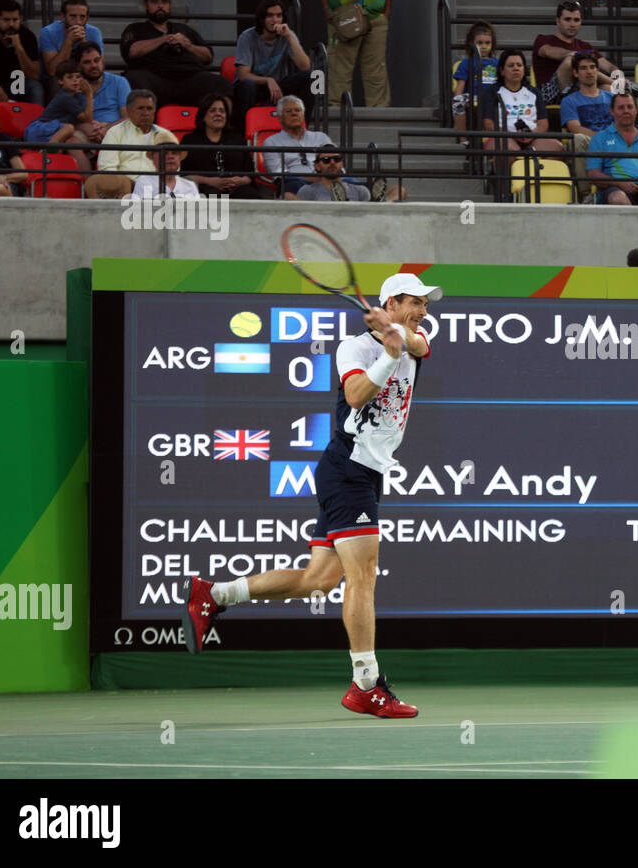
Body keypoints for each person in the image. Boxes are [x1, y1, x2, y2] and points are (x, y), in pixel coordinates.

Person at [184, 272, 443, 719]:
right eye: (416, 303)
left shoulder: (413, 336)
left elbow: (418, 347)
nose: (425, 312)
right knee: (363, 575)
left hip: (366, 470)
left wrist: (395, 333)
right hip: (349, 470)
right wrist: (387, 350)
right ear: (393, 301)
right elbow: (357, 395)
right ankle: (366, 684)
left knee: (318, 580)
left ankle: (214, 595)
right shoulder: (353, 348)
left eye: (426, 305)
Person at [120, 0, 230, 109]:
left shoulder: (184, 29)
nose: (160, 6)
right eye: (154, 1)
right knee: (133, 79)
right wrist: (163, 39)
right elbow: (132, 51)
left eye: (164, 1)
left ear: (169, 5)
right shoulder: (135, 28)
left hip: (188, 79)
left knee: (222, 84)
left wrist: (188, 45)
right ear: (146, 5)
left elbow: (208, 57)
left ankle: (226, 127)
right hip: (155, 79)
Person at [483, 48, 564, 185]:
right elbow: (488, 123)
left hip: (532, 137)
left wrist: (533, 134)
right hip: (503, 136)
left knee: (558, 148)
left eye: (519, 65)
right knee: (507, 150)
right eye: (511, 65)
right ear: (502, 71)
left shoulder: (534, 92)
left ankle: (538, 186)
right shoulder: (492, 91)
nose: (516, 68)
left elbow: (543, 123)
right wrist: (512, 134)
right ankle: (506, 192)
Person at [234, 0, 313, 129]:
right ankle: (243, 134)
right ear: (262, 18)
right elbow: (243, 75)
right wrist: (268, 80)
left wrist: (289, 37)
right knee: (248, 85)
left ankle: (303, 127)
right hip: (252, 87)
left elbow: (305, 66)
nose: (275, 20)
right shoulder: (247, 37)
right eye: (270, 16)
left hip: (277, 88)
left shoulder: (287, 35)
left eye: (278, 15)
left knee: (313, 76)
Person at [84, 89, 172, 199]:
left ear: (154, 111)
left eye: (149, 108)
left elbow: (173, 169)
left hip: (158, 189)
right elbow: (107, 168)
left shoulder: (166, 135)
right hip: (124, 190)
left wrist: (149, 186)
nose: (146, 113)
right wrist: (132, 184)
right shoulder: (115, 132)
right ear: (129, 111)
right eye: (140, 108)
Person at [533, 2, 622, 105]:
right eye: (567, 19)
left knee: (608, 89)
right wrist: (578, 56)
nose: (572, 24)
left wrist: (617, 74)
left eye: (576, 20)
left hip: (580, 89)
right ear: (558, 21)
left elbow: (609, 67)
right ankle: (626, 87)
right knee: (572, 60)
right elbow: (548, 52)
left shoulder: (584, 46)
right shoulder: (543, 39)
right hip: (549, 94)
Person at [22, 59, 94, 172]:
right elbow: (87, 118)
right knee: (69, 128)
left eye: (78, 76)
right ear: (60, 81)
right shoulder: (66, 97)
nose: (75, 80)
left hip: (51, 131)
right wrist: (89, 95)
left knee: (62, 145)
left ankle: (53, 156)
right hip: (39, 130)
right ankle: (46, 151)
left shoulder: (74, 97)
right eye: (70, 77)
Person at [184, 92, 260, 199]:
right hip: (205, 187)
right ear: (203, 116)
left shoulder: (237, 140)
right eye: (212, 110)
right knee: (212, 194)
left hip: (236, 189)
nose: (218, 114)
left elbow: (250, 174)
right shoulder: (190, 140)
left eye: (222, 111)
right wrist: (209, 181)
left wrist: (240, 181)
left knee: (250, 194)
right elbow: (185, 175)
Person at [262, 95, 334, 197]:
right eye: (288, 111)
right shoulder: (271, 142)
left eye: (297, 110)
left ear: (303, 115)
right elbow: (279, 175)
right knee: (294, 186)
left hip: (326, 181)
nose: (294, 113)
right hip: (296, 184)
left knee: (354, 182)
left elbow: (336, 163)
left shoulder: (321, 138)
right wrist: (316, 179)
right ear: (279, 118)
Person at [560, 52, 614, 177]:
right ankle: (586, 194)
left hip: (613, 141)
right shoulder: (569, 101)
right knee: (577, 139)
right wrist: (601, 138)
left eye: (592, 67)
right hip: (588, 142)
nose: (589, 72)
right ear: (575, 73)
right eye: (583, 68)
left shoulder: (612, 98)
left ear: (597, 70)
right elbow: (575, 128)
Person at [38, 0, 104, 96]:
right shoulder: (48, 32)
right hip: (59, 77)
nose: (78, 21)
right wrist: (69, 41)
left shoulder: (94, 32)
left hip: (82, 74)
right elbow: (52, 71)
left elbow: (99, 66)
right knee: (57, 83)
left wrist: (83, 43)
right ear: (63, 17)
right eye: (73, 16)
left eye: (82, 17)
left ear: (87, 18)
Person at [73, 42, 130, 146]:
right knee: (71, 143)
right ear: (78, 65)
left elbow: (128, 117)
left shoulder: (119, 82)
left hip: (115, 127)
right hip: (87, 130)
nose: (93, 65)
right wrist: (87, 128)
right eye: (87, 62)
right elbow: (69, 121)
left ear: (102, 59)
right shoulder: (74, 85)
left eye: (96, 60)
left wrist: (107, 129)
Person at [453, 20, 498, 145]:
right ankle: (463, 139)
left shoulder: (497, 63)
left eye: (487, 43)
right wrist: (457, 98)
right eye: (480, 43)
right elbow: (460, 87)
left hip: (492, 97)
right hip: (473, 96)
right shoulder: (466, 63)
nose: (484, 46)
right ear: (472, 43)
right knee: (457, 102)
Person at [128, 130, 199, 200]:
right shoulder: (144, 182)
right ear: (153, 158)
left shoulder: (190, 186)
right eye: (164, 153)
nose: (171, 156)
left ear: (179, 158)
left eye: (174, 153)